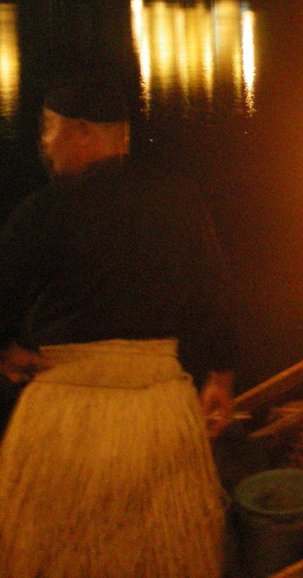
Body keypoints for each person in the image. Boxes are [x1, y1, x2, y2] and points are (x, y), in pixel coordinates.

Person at [0, 81, 240, 577]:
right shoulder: (179, 202)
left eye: (48, 129)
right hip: (159, 410)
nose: (43, 145)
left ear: (83, 132)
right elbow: (214, 295)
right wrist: (219, 378)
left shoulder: (42, 212)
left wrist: (6, 349)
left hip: (62, 416)